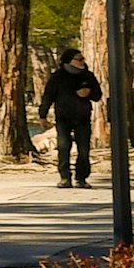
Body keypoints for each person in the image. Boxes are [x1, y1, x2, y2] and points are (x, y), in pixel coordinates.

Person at [45, 47, 104, 187]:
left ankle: (81, 177)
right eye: (79, 59)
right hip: (63, 117)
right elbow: (48, 96)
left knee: (84, 149)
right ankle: (65, 177)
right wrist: (43, 114)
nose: (82, 62)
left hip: (83, 117)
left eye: (83, 59)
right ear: (69, 61)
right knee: (64, 146)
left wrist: (88, 93)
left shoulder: (87, 76)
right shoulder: (58, 76)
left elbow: (98, 95)